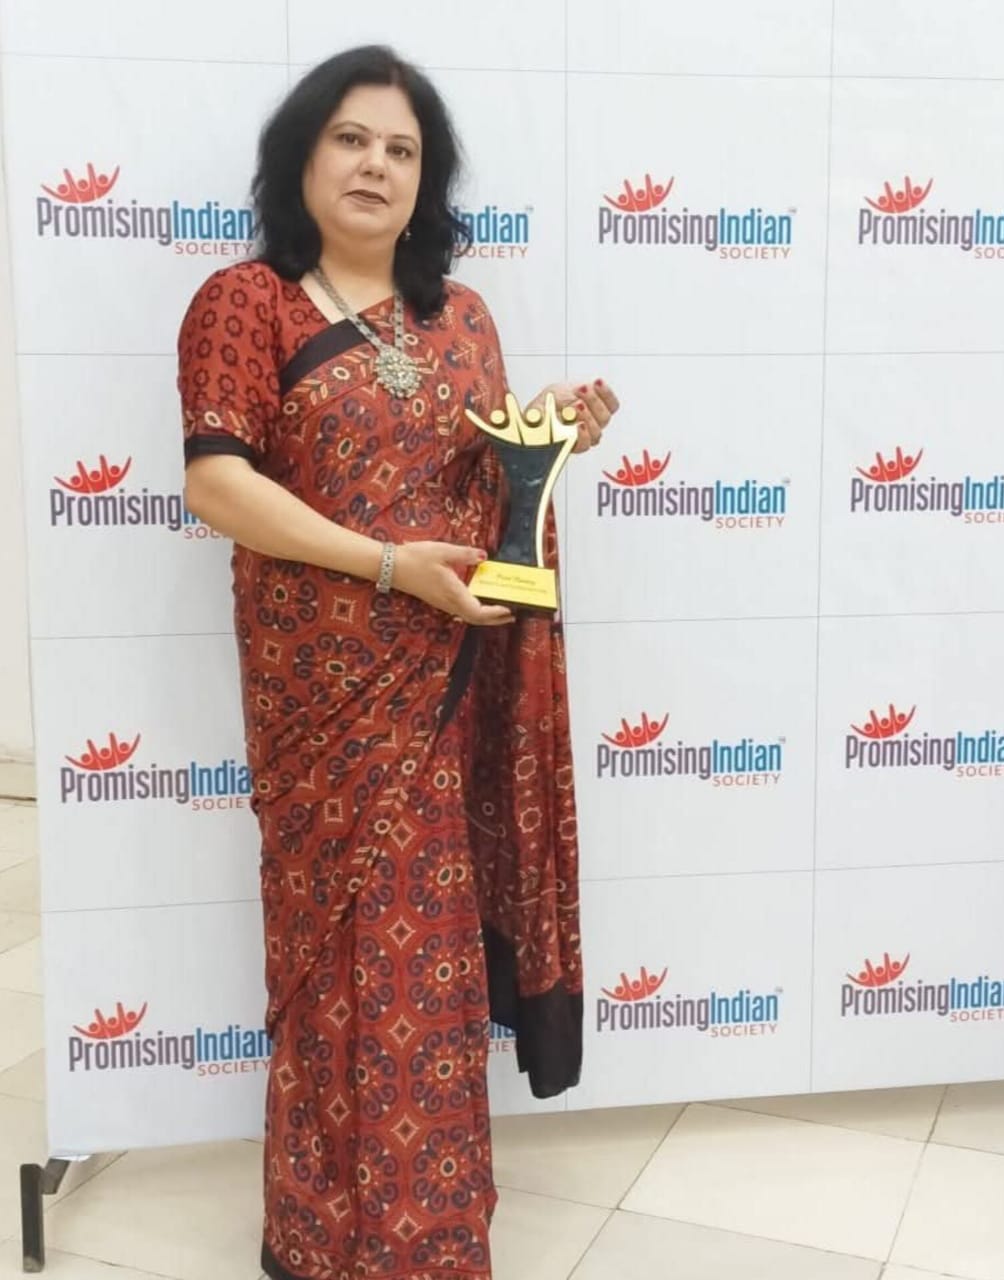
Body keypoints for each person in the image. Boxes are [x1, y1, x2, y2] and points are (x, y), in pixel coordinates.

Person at [177, 45, 619, 1280]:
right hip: (323, 702)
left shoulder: (461, 319)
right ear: (301, 157)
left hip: (447, 686)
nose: (375, 164)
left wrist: (549, 436)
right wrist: (384, 565)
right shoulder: (246, 303)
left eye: (402, 149)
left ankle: (428, 1239)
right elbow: (217, 483)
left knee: (424, 967)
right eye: (351, 138)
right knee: (336, 966)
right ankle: (323, 1242)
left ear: (427, 180)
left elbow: (486, 489)